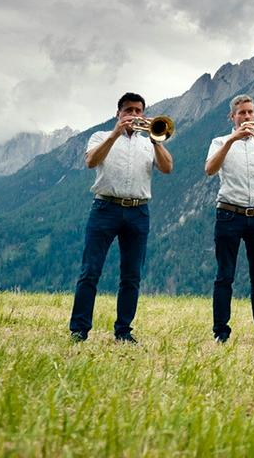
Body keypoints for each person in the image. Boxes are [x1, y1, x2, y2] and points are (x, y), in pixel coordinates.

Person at [68, 92, 173, 343]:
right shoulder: (100, 136)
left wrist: (156, 140)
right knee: (90, 271)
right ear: (118, 113)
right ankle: (79, 330)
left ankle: (123, 331)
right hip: (105, 208)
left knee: (131, 275)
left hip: (138, 211)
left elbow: (168, 168)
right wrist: (115, 134)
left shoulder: (150, 141)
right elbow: (91, 161)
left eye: (138, 111)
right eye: (129, 111)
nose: (134, 115)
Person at [204, 94, 254, 345]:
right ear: (232, 117)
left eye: (251, 112)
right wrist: (231, 141)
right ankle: (221, 332)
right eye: (242, 113)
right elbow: (210, 169)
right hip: (229, 214)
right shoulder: (219, 141)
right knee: (225, 275)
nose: (247, 117)